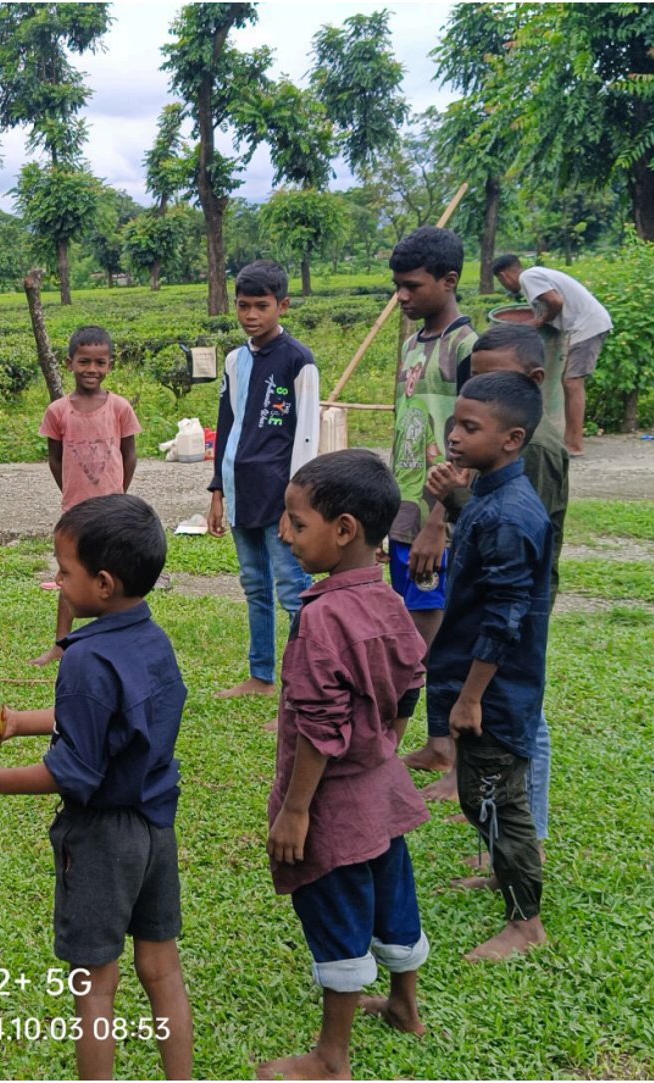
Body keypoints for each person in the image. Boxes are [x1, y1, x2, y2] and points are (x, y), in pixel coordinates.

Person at [0, 495, 195, 1081]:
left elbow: (74, 769)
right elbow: (116, 722)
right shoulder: (152, 641)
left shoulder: (84, 658)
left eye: (63, 569)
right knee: (162, 968)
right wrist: (22, 721)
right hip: (155, 826)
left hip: (102, 838)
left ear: (102, 584)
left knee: (94, 988)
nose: (57, 579)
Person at [261, 450, 430, 1081]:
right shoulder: (387, 600)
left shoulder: (322, 616)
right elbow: (413, 678)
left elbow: (320, 727)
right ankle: (406, 1007)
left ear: (345, 529)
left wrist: (296, 809)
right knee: (393, 895)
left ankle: (331, 1056)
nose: (285, 533)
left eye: (297, 523)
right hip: (383, 794)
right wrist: (387, 741)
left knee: (337, 913)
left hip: (331, 804)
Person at [428, 323, 570, 861]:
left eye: (498, 383)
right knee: (500, 717)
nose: (485, 394)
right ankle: (502, 844)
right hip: (497, 600)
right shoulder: (491, 467)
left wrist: (456, 506)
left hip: (514, 605)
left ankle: (521, 843)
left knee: (521, 722)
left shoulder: (534, 455)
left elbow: (514, 545)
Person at [427, 371, 554, 962]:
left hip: (496, 685)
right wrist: (451, 500)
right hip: (478, 674)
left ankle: (526, 924)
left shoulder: (510, 515)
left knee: (501, 796)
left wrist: (471, 696)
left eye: (470, 428)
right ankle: (505, 876)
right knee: (478, 794)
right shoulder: (488, 497)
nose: (455, 436)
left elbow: (506, 615)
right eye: (456, 423)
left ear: (512, 439)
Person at [386, 227, 478, 801]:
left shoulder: (470, 347)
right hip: (404, 512)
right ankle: (437, 744)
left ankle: (458, 765)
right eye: (396, 287)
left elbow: (470, 445)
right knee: (413, 632)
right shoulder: (412, 342)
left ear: (448, 281)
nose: (402, 297)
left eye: (411, 286)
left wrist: (438, 521)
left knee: (434, 639)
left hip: (436, 521)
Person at [207, 260, 320, 700]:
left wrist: (297, 507)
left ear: (283, 306)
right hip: (240, 491)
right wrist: (217, 489)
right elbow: (227, 423)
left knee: (293, 590)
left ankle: (304, 683)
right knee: (255, 585)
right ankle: (261, 675)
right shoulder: (236, 361)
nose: (251, 315)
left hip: (281, 498)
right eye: (242, 306)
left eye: (261, 306)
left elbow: (307, 436)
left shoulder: (299, 361)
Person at [34, 325, 141, 667]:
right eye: (84, 362)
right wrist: (69, 491)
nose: (91, 369)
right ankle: (61, 643)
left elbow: (130, 454)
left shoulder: (120, 408)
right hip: (75, 510)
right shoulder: (58, 411)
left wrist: (118, 493)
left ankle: (113, 641)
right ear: (69, 364)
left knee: (112, 574)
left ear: (110, 365)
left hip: (112, 509)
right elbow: (55, 457)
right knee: (70, 572)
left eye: (99, 362)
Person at [492, 254, 612, 456]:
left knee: (573, 383)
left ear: (504, 276)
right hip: (587, 324)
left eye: (501, 281)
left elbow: (555, 301)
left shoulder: (528, 277)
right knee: (570, 383)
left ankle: (574, 445)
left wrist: (538, 322)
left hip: (587, 326)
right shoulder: (535, 274)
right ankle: (570, 441)